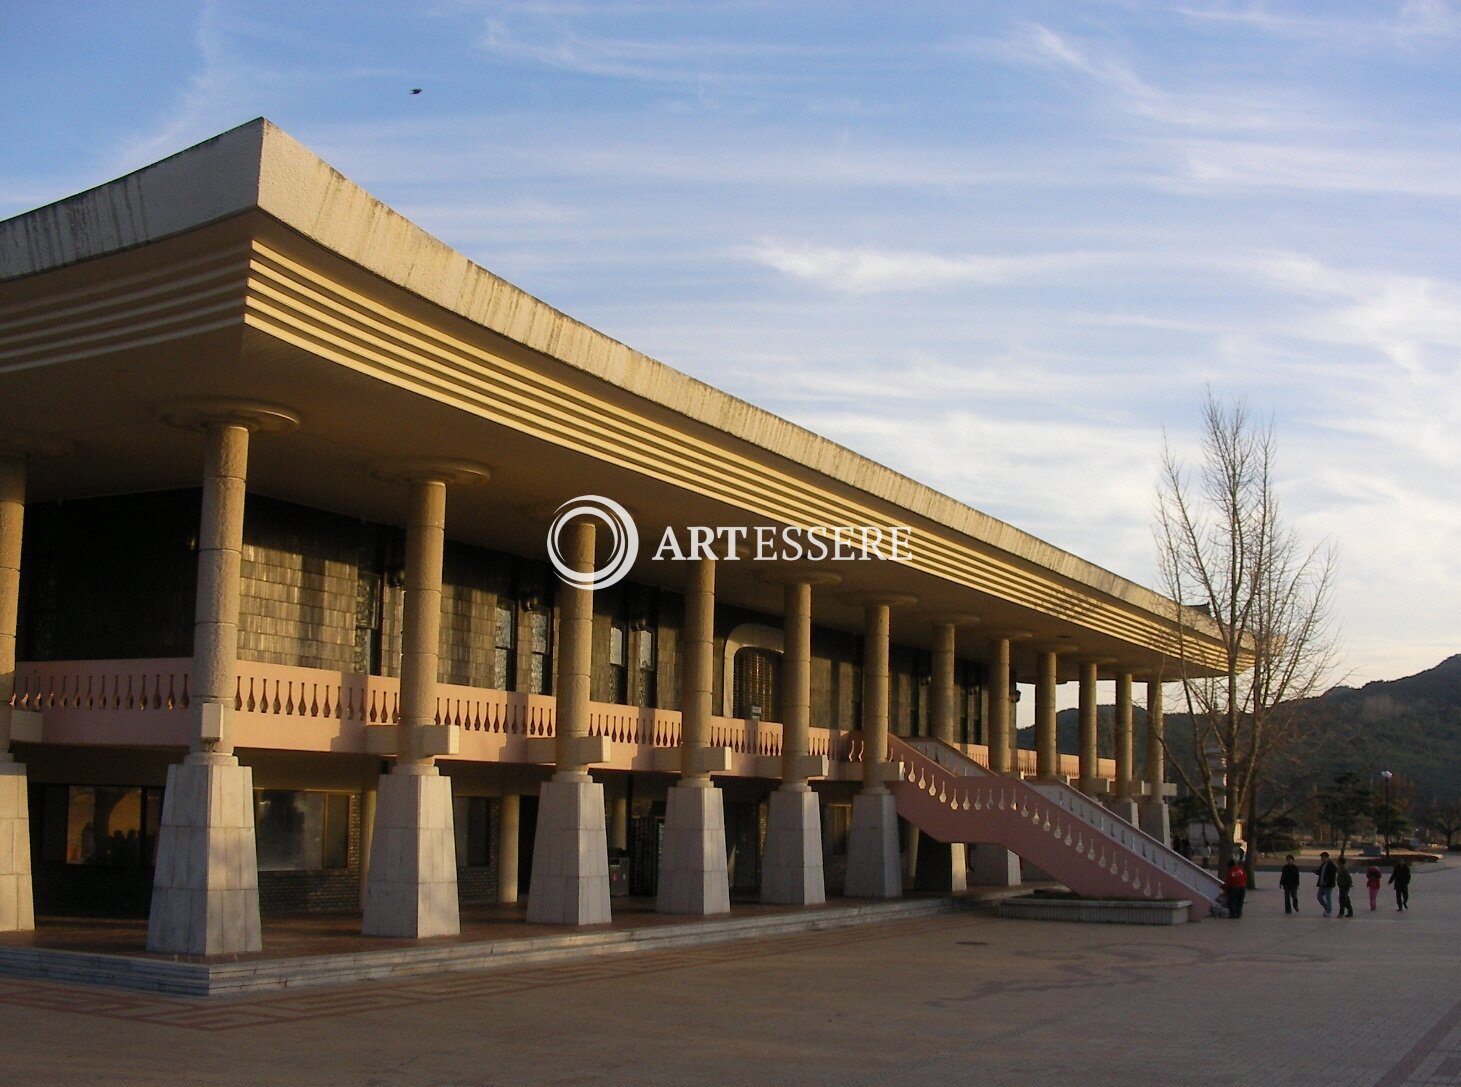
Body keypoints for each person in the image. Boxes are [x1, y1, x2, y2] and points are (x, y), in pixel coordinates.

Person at [1315, 851, 1337, 917]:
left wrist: (1327, 881)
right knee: (1319, 897)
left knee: (1328, 897)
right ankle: (1327, 908)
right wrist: (1315, 871)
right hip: (1321, 884)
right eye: (1321, 858)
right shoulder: (1323, 864)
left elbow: (1332, 875)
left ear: (1327, 857)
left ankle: (1328, 911)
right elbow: (1320, 872)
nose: (1321, 859)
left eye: (1323, 857)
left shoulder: (1331, 865)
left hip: (1328, 885)